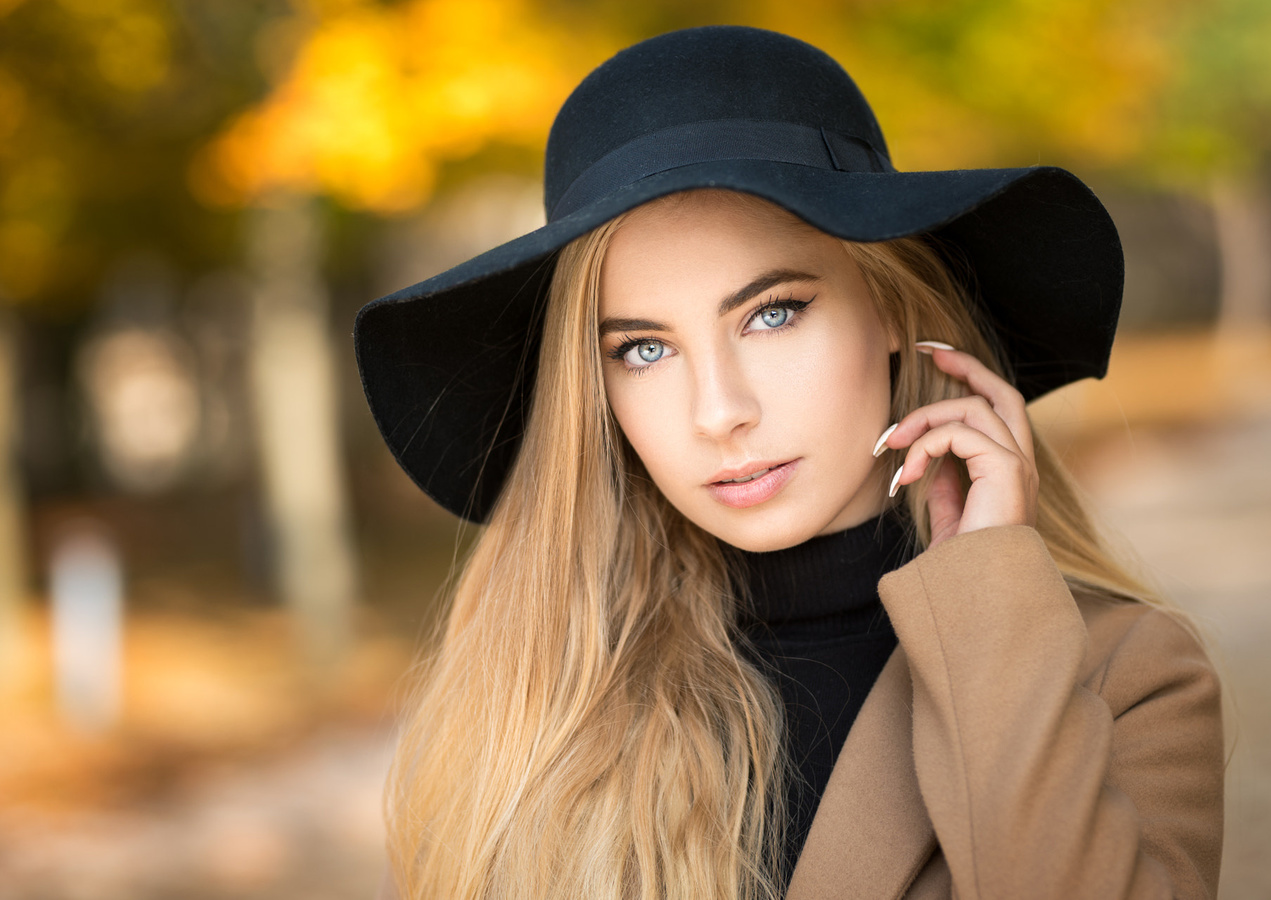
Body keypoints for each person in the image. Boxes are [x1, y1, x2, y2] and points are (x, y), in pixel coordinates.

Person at [354, 25, 1224, 900]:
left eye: (771, 313)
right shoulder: (527, 715)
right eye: (643, 351)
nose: (720, 412)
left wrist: (990, 602)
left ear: (890, 306)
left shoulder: (1127, 675)